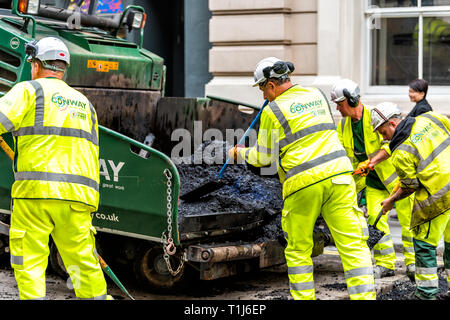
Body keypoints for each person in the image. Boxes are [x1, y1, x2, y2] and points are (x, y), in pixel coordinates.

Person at [228, 57, 376, 300]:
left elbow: (264, 158)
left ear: (272, 85)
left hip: (303, 183)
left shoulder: (273, 111)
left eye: (263, 90)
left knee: (298, 250)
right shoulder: (316, 95)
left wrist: (239, 153)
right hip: (339, 176)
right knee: (353, 246)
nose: (264, 96)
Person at [0, 37, 110, 300]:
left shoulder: (29, 90)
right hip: (78, 200)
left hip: (35, 195)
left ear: (36, 64)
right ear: (63, 68)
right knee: (82, 264)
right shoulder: (85, 103)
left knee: (30, 262)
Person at [330, 80, 416, 280]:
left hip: (396, 178)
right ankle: (386, 264)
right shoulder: (343, 125)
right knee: (376, 220)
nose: (337, 108)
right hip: (372, 183)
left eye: (339, 103)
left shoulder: (376, 116)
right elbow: (342, 152)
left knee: (408, 220)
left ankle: (413, 263)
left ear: (352, 100)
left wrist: (371, 162)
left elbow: (392, 143)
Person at [371, 103, 449, 300]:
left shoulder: (400, 152)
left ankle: (426, 294)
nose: (383, 138)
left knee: (424, 246)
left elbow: (410, 186)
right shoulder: (430, 119)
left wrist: (391, 200)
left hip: (438, 198)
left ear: (393, 123)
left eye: (383, 132)